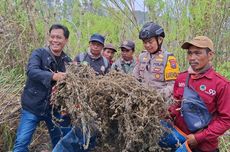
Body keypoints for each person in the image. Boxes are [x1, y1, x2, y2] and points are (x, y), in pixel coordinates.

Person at [13, 24, 72, 152]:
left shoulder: (68, 61)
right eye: (52, 36)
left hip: (54, 111)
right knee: (21, 144)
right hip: (32, 107)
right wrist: (53, 76)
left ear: (66, 40)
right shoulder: (38, 53)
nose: (55, 40)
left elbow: (69, 89)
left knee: (60, 143)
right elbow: (31, 71)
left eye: (59, 37)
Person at [168, 36, 230, 151]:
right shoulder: (181, 78)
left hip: (204, 146)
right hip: (178, 138)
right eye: (190, 53)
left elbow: (225, 119)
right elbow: (176, 105)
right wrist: (166, 114)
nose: (192, 58)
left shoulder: (221, 84)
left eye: (197, 53)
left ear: (210, 55)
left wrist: (199, 137)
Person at [133, 22, 179, 100]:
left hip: (160, 102)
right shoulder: (142, 56)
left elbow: (173, 85)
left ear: (160, 40)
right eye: (145, 42)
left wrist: (156, 96)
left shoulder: (168, 58)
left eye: (150, 42)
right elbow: (134, 78)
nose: (147, 45)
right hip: (141, 100)